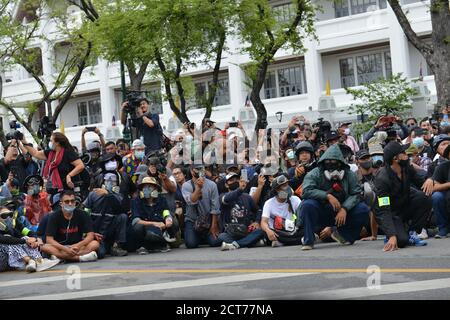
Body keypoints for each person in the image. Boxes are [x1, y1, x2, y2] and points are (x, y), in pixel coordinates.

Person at [299, 144, 370, 250]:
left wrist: (345, 208)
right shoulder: (314, 174)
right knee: (307, 205)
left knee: (363, 209)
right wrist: (327, 196)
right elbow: (306, 191)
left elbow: (356, 194)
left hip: (342, 213)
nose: (331, 164)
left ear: (341, 163)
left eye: (334, 162)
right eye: (328, 162)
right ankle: (308, 240)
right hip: (321, 211)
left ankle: (345, 235)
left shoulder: (349, 174)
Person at [373, 141, 431, 251]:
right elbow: (383, 209)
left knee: (424, 197)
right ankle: (391, 235)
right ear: (396, 159)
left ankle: (412, 232)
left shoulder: (407, 168)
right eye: (403, 153)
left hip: (403, 205)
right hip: (390, 213)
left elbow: (421, 183)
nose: (407, 155)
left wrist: (430, 179)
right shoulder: (382, 179)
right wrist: (392, 235)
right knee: (401, 241)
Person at [42, 190, 99, 262]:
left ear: (75, 203)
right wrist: (65, 249)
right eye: (67, 201)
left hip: (78, 246)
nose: (70, 204)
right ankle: (80, 258)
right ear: (61, 204)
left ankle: (61, 258)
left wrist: (78, 245)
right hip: (60, 247)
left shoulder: (83, 214)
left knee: (95, 244)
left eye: (72, 201)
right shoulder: (53, 216)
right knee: (44, 247)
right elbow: (49, 239)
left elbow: (90, 235)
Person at [0, 207, 59, 272]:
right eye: (4, 216)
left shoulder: (14, 225)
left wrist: (35, 239)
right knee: (11, 240)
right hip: (2, 260)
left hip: (12, 256)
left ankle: (39, 261)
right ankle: (30, 261)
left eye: (10, 215)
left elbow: (27, 232)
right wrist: (25, 241)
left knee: (25, 238)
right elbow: (5, 239)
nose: (8, 218)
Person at [20, 132, 85, 192]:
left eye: (51, 141)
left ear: (57, 143)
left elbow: (80, 165)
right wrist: (24, 141)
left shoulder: (68, 153)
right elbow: (35, 153)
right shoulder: (50, 153)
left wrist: (69, 175)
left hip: (68, 189)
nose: (50, 143)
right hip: (53, 189)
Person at [83, 173, 128, 257]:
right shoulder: (93, 194)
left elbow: (119, 209)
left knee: (122, 217)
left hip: (109, 230)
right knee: (101, 253)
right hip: (96, 231)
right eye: (107, 181)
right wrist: (91, 233)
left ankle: (116, 245)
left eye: (113, 182)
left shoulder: (118, 196)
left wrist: (108, 194)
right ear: (103, 182)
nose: (110, 183)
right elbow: (85, 214)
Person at [131, 177, 178, 253]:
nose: (146, 189)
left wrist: (168, 219)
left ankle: (163, 243)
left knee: (174, 222)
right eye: (144, 187)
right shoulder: (137, 201)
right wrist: (154, 223)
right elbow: (136, 221)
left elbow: (166, 211)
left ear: (155, 189)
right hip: (146, 227)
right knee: (138, 227)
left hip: (161, 227)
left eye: (150, 186)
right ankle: (142, 246)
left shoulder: (161, 199)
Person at [218, 172, 264, 250]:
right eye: (231, 180)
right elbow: (226, 199)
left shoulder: (246, 197)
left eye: (237, 180)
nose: (235, 181)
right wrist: (239, 190)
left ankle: (235, 245)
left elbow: (259, 210)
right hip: (230, 232)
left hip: (245, 231)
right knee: (221, 237)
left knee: (260, 231)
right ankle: (250, 242)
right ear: (226, 184)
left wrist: (256, 221)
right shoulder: (223, 196)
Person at [181, 164, 221, 249]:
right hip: (192, 220)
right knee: (191, 244)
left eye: (202, 168)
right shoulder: (186, 185)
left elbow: (215, 207)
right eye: (197, 169)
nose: (200, 171)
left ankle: (204, 236)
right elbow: (191, 201)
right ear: (192, 171)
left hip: (207, 221)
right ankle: (198, 237)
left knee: (215, 242)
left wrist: (214, 226)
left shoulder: (212, 185)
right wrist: (198, 188)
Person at [261, 175, 302, 247]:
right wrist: (268, 231)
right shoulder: (269, 203)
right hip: (277, 232)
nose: (287, 188)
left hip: (292, 230)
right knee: (262, 232)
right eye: (284, 186)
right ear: (277, 190)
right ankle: (301, 240)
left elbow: (302, 218)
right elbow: (263, 222)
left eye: (287, 185)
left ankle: (282, 242)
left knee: (307, 229)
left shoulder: (295, 199)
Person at [422, 141, 450, 238]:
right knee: (437, 196)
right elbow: (434, 187)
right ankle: (443, 228)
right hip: (446, 196)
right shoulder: (442, 167)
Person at [355, 149, 378, 241]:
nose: (366, 160)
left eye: (367, 158)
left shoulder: (380, 173)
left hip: (382, 213)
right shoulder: (354, 177)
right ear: (357, 161)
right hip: (364, 216)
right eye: (363, 159)